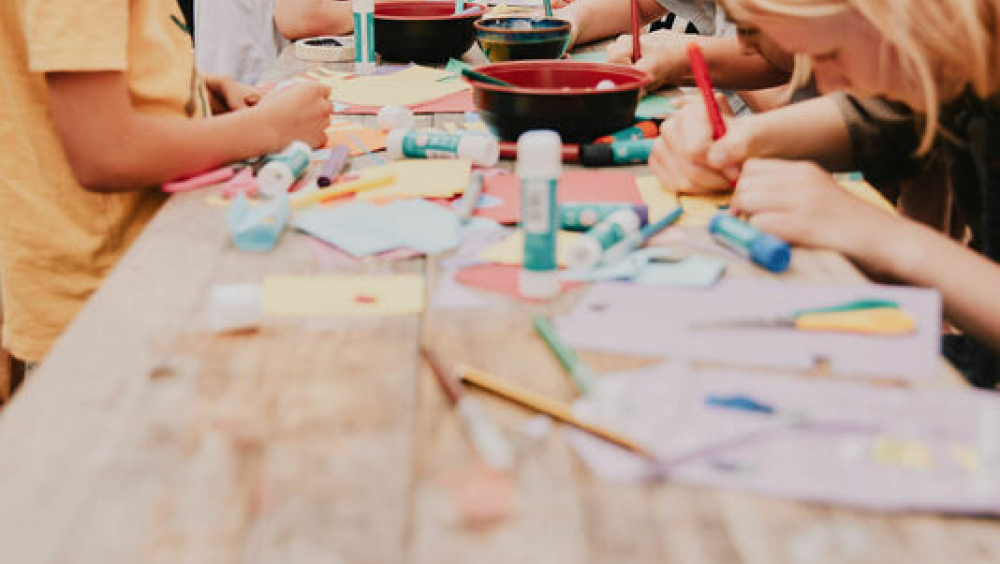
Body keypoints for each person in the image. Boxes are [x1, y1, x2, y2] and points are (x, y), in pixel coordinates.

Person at [650, 0, 1000, 387]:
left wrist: (882, 236)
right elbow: (885, 118)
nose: (828, 86)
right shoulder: (950, 51)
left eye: (828, 54)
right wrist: (737, 143)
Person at [0, 0, 331, 368]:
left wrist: (196, 94)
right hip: (109, 303)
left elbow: (90, 73)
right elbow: (105, 152)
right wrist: (270, 128)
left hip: (144, 273)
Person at [557, 0, 792, 92]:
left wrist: (683, 58)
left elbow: (784, 85)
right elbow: (641, 5)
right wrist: (575, 17)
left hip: (785, 149)